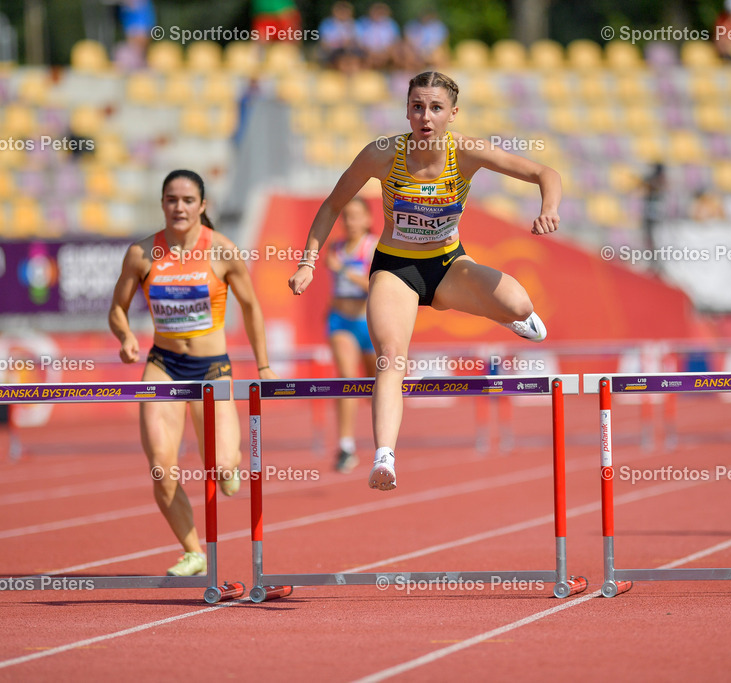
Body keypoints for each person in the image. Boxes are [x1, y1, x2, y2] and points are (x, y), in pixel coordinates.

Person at [288, 71, 558, 491]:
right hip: (396, 270)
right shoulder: (382, 153)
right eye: (417, 107)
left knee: (521, 305)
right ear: (407, 111)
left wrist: (549, 208)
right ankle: (384, 457)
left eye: (435, 108)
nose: (425, 116)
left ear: (453, 113)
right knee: (391, 359)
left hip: (449, 266)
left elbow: (546, 173)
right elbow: (332, 204)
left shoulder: (466, 151)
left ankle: (503, 315)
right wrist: (307, 262)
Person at [110, 169, 276, 576]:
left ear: (202, 206)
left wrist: (265, 366)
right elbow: (117, 308)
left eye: (187, 200)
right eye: (171, 200)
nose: (179, 207)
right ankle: (193, 552)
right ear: (162, 204)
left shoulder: (222, 251)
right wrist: (126, 336)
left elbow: (252, 308)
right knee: (162, 468)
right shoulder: (142, 254)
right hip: (163, 366)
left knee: (220, 467)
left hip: (212, 369)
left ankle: (228, 465)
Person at [326, 197, 380, 473]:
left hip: (369, 323)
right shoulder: (335, 248)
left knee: (378, 384)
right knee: (347, 379)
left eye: (356, 216)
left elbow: (375, 285)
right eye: (346, 216)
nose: (350, 221)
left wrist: (344, 270)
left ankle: (383, 445)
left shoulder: (373, 247)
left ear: (368, 219)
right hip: (341, 322)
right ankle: (345, 446)